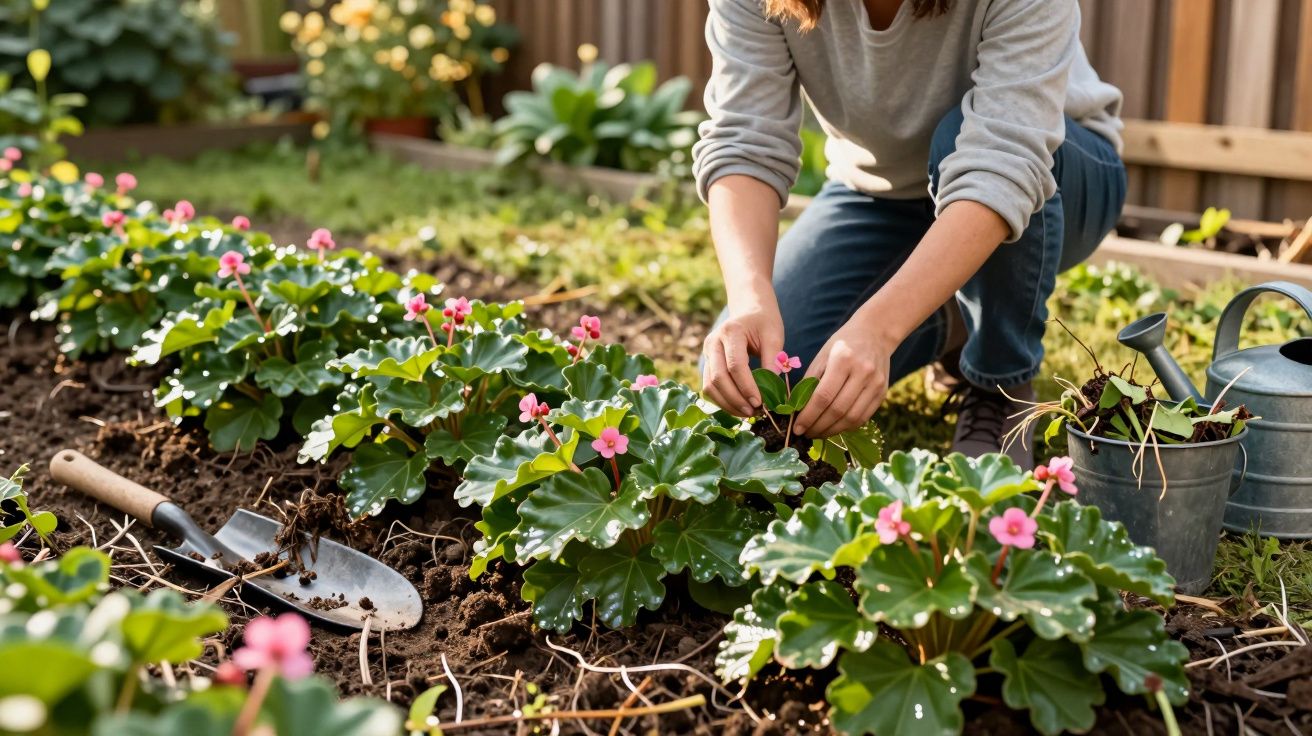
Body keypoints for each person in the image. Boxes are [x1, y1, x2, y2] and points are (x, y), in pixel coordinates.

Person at [693, 0, 1126, 469]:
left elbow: (1006, 164)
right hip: (881, 194)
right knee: (764, 377)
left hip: (1060, 173)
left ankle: (997, 382)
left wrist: (879, 331)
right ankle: (954, 316)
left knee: (959, 139)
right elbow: (744, 142)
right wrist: (750, 300)